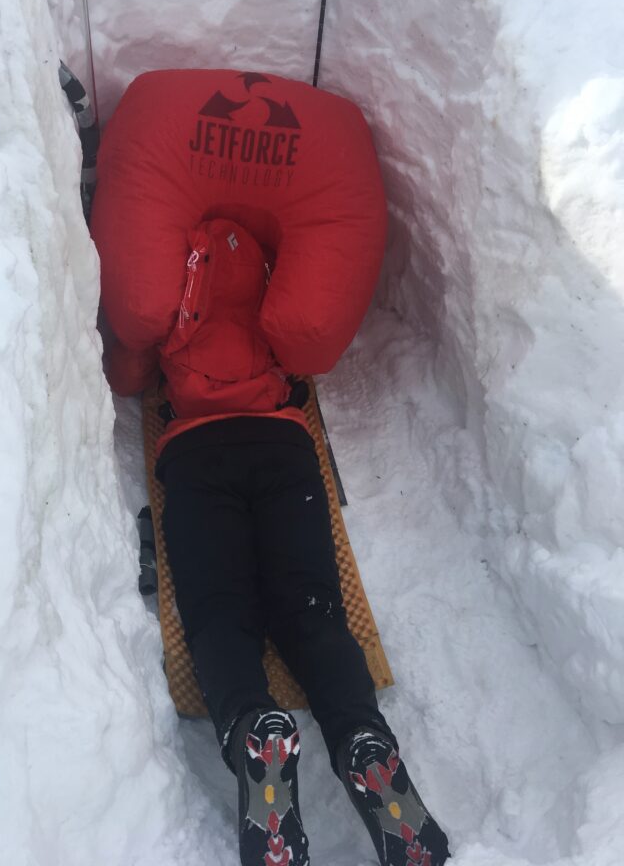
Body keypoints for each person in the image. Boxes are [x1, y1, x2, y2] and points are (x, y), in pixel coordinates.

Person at [103, 216, 451, 866]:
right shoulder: (274, 292)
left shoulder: (176, 287)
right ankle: (362, 739)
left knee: (220, 616)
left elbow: (128, 369)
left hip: (197, 455)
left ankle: (253, 726)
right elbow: (308, 349)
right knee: (312, 610)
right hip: (285, 449)